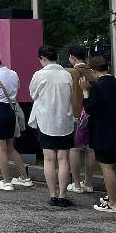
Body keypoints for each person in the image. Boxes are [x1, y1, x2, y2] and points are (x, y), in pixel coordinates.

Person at [79, 54, 116, 213]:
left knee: (106, 167)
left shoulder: (97, 87)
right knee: (114, 164)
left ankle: (113, 203)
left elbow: (90, 109)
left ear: (93, 71)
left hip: (103, 131)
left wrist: (85, 92)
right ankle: (114, 196)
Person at [29, 45, 76, 208]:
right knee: (63, 159)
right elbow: (71, 95)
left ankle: (53, 195)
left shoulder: (39, 75)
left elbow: (32, 94)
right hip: (64, 121)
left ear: (42, 58)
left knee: (49, 159)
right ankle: (63, 195)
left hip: (46, 121)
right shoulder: (67, 75)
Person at [0, 52, 33, 192]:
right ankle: (25, 177)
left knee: (0, 149)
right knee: (10, 148)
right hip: (11, 110)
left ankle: (6, 181)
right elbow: (17, 88)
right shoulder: (13, 73)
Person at [66, 45, 96, 195]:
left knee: (74, 149)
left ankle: (76, 184)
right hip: (92, 114)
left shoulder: (71, 73)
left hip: (76, 113)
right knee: (90, 149)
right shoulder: (93, 72)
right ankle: (89, 183)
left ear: (72, 57)